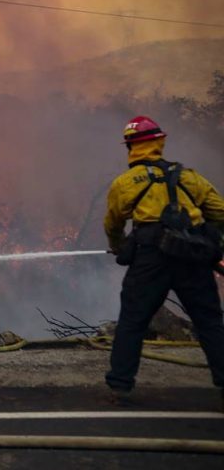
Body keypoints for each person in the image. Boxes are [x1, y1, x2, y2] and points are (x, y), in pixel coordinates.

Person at [104, 116, 224, 408]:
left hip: (150, 260)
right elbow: (219, 212)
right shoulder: (189, 177)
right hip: (192, 258)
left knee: (133, 320)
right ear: (160, 142)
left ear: (131, 146)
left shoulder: (126, 182)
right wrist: (208, 239)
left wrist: (120, 247)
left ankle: (120, 388)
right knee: (210, 322)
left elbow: (113, 223)